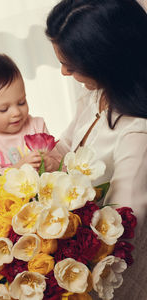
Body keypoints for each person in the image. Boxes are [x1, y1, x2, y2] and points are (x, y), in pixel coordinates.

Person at [45, 0, 147, 299]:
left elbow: (121, 224)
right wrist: (35, 163)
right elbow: (66, 146)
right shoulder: (97, 95)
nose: (63, 72)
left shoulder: (137, 133)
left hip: (104, 269)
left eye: (72, 66)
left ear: (108, 62)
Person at [0, 53, 60, 204]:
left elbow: (63, 166)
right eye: (3, 109)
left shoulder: (36, 126)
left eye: (21, 102)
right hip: (11, 215)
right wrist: (19, 167)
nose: (16, 112)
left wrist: (52, 165)